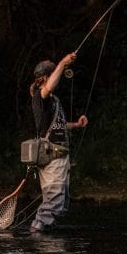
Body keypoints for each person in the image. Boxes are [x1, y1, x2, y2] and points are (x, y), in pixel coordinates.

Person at [29, 51, 87, 233]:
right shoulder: (41, 96)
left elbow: (59, 125)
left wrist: (76, 125)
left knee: (60, 203)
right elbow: (48, 89)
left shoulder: (54, 100)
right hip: (52, 156)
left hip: (59, 156)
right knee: (54, 201)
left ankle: (45, 238)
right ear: (45, 78)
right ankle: (37, 236)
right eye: (53, 74)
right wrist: (63, 63)